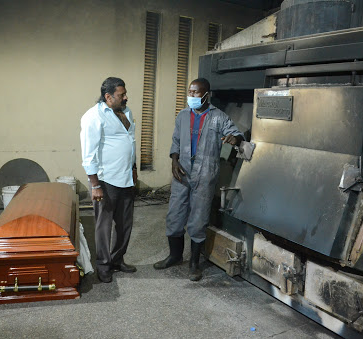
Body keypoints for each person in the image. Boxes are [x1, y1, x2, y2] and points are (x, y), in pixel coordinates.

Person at [154, 78, 243, 281]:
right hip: (182, 172)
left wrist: (234, 139)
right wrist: (174, 161)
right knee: (175, 214)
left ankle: (194, 263)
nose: (192, 96)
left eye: (196, 93)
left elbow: (236, 134)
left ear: (206, 95)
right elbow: (176, 140)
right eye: (190, 92)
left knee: (199, 218)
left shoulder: (218, 117)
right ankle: (174, 256)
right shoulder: (183, 115)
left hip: (205, 174)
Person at [80, 77, 137, 283]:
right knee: (104, 226)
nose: (125, 97)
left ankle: (117, 260)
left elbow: (130, 142)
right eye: (121, 95)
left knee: (125, 224)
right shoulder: (93, 117)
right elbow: (89, 154)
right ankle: (103, 266)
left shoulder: (126, 112)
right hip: (105, 180)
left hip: (126, 178)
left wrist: (134, 169)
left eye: (124, 93)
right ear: (108, 96)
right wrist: (95, 185)